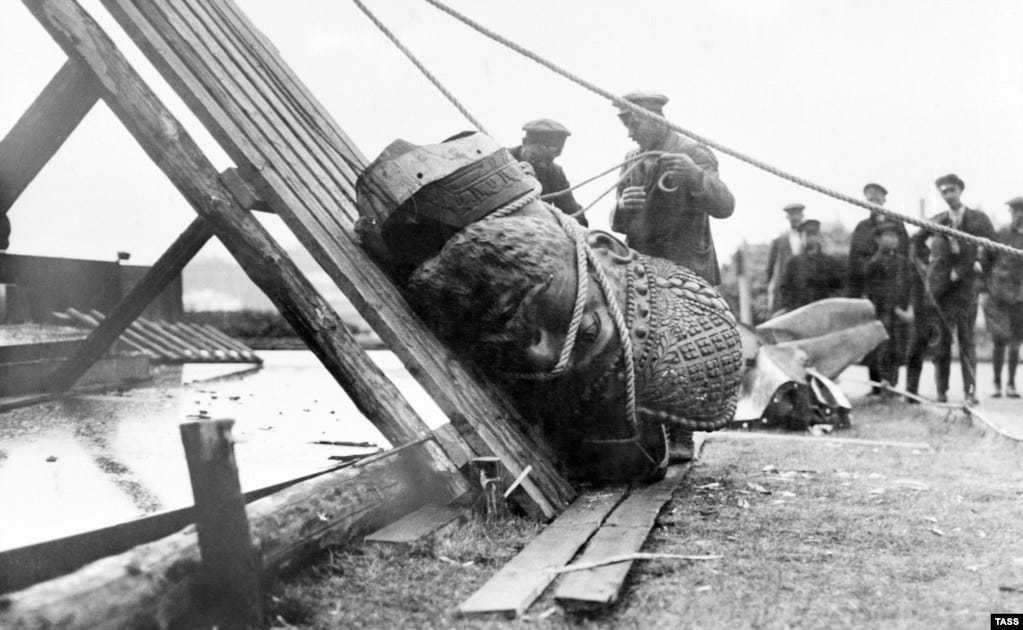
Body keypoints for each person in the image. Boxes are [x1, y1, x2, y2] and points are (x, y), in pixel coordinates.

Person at [610, 90, 735, 285]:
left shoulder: (693, 152)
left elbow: (725, 206)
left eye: (634, 125)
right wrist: (621, 206)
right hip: (640, 274)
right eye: (627, 127)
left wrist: (694, 175)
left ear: (656, 120)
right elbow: (617, 225)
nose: (630, 134)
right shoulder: (631, 160)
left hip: (687, 274)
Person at [909, 173, 994, 406]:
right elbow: (916, 244)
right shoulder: (937, 220)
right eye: (944, 192)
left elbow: (995, 250)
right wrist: (928, 270)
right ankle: (941, 392)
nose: (948, 196)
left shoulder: (979, 220)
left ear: (960, 191)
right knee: (942, 342)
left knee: (967, 340)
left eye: (952, 191)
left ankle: (970, 392)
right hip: (943, 291)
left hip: (967, 290)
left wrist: (981, 266)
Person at [847, 183, 910, 394]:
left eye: (877, 199)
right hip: (870, 291)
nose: (874, 204)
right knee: (873, 339)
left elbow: (906, 259)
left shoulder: (897, 225)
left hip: (894, 290)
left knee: (895, 338)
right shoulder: (862, 227)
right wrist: (856, 295)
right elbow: (854, 263)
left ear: (884, 199)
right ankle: (875, 386)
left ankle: (892, 384)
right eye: (869, 200)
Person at [863, 220, 913, 392]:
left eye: (895, 236)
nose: (893, 240)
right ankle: (883, 385)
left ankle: (893, 383)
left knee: (898, 347)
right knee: (883, 347)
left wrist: (908, 308)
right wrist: (896, 309)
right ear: (878, 239)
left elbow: (908, 285)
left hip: (900, 312)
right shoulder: (874, 263)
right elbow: (877, 291)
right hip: (883, 312)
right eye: (888, 236)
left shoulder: (902, 261)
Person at [981, 196, 1023, 398]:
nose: (1019, 215)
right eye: (1015, 212)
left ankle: (1011, 384)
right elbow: (986, 259)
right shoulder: (1002, 233)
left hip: (1021, 298)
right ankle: (997, 383)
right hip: (1000, 295)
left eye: (1022, 211)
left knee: (1016, 342)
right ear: (1011, 214)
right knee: (999, 340)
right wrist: (992, 284)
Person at [509, 118, 587, 226]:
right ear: (524, 143)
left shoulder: (555, 173)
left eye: (549, 159)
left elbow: (574, 214)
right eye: (535, 157)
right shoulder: (501, 161)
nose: (542, 164)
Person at [778, 219, 845, 312]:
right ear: (801, 237)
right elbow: (785, 289)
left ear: (818, 237)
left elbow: (839, 288)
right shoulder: (793, 263)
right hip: (799, 312)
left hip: (824, 312)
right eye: (806, 235)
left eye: (813, 234)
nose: (810, 238)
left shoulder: (830, 262)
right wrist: (791, 307)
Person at [766, 203, 806, 314]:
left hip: (804, 288)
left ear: (802, 215)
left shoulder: (810, 238)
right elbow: (770, 269)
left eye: (797, 214)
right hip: (785, 290)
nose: (795, 218)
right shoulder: (778, 241)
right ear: (787, 217)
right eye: (792, 214)